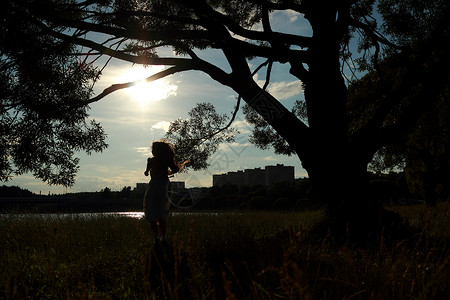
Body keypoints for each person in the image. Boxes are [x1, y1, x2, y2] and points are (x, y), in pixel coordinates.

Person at [143, 140, 186, 242]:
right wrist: (167, 172)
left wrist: (150, 170)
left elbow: (146, 173)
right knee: (160, 212)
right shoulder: (165, 161)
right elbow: (175, 169)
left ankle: (157, 238)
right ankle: (162, 237)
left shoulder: (152, 160)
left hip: (155, 186)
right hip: (163, 186)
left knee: (151, 210)